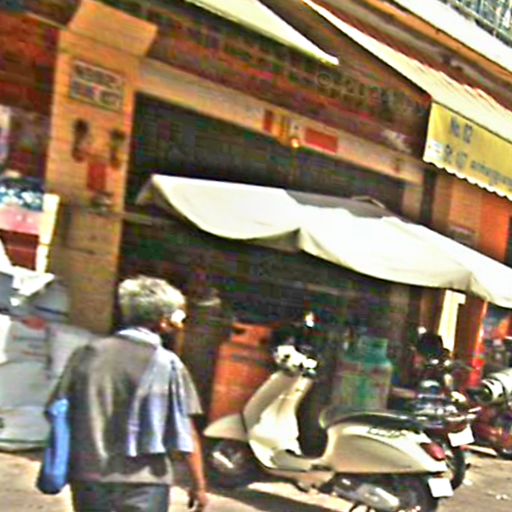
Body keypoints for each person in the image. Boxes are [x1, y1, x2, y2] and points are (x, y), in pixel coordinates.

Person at [47, 275, 209, 512]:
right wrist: (199, 485)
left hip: (90, 476)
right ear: (164, 321)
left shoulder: (86, 354)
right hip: (145, 482)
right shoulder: (168, 365)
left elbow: (57, 409)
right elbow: (186, 432)